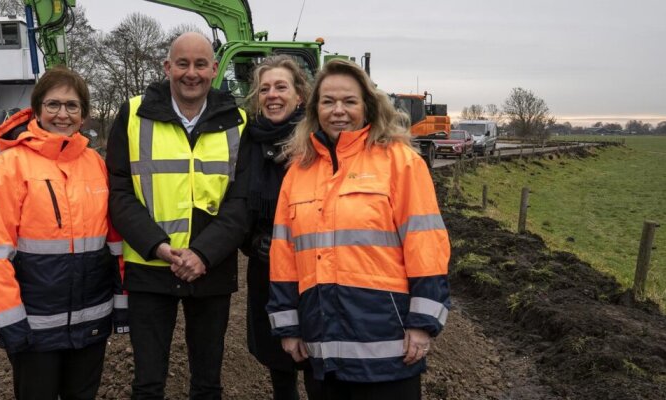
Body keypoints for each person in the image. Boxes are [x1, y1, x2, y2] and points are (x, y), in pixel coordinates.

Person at [267, 59, 451, 400]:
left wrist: (422, 324)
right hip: (322, 350)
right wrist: (288, 326)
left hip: (388, 349)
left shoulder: (400, 161)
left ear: (367, 105)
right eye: (328, 101)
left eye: (349, 101)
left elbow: (425, 245)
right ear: (314, 108)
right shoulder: (298, 171)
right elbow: (284, 254)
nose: (339, 110)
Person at [106, 32, 250, 400]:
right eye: (182, 63)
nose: (192, 73)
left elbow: (242, 200)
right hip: (150, 267)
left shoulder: (238, 121)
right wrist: (157, 246)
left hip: (210, 268)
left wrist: (203, 253)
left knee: (207, 382)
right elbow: (119, 190)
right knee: (148, 382)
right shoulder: (133, 114)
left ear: (214, 69)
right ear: (167, 67)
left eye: (200, 64)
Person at [0, 66, 124, 400]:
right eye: (53, 104)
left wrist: (121, 301)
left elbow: (114, 241)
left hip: (91, 319)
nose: (62, 114)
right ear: (37, 110)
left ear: (84, 115)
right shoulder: (7, 167)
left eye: (72, 106)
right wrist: (9, 321)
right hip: (34, 325)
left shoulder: (95, 164)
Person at [238, 55, 322, 400]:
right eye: (264, 88)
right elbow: (236, 200)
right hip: (267, 267)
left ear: (300, 95)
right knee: (278, 354)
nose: (271, 95)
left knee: (318, 354)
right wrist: (253, 241)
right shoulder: (248, 142)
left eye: (281, 87)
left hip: (315, 266)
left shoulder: (317, 141)